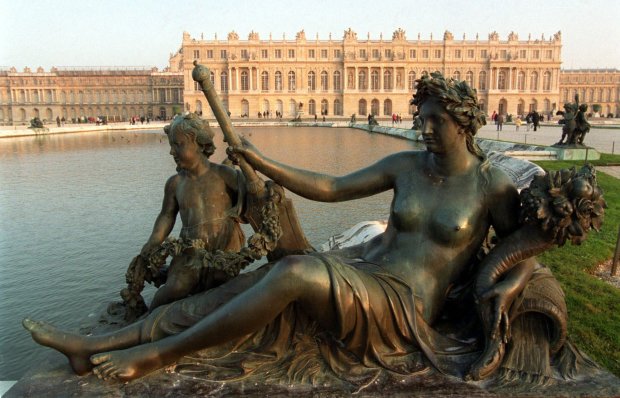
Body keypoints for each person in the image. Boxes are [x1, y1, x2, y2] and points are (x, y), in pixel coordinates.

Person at [23, 73, 538, 383]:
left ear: (463, 120)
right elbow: (331, 187)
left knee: (291, 273)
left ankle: (156, 355)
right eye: (421, 118)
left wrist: (504, 291)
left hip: (402, 309)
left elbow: (521, 252)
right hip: (362, 271)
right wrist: (263, 161)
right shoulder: (407, 166)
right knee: (243, 286)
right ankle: (92, 348)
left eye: (433, 120)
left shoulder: (492, 188)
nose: (422, 127)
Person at [139, 112, 245, 310]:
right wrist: (152, 243)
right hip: (189, 251)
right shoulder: (175, 183)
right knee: (174, 288)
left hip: (224, 248)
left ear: (199, 144)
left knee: (224, 286)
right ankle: (148, 321)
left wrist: (246, 168)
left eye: (177, 145)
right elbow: (166, 216)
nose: (171, 151)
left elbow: (251, 196)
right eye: (171, 145)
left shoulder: (225, 174)